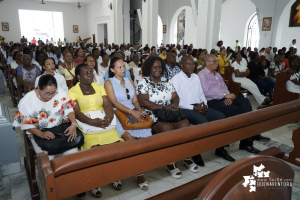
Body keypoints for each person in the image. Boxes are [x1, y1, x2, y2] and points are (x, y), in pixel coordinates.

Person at [137, 56, 198, 179]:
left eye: (160, 67)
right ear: (149, 68)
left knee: (185, 124)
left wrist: (174, 105)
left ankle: (186, 157)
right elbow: (144, 102)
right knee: (166, 128)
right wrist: (163, 108)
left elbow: (175, 97)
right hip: (153, 115)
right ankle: (170, 162)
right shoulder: (144, 82)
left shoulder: (166, 80)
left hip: (169, 112)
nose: (158, 69)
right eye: (155, 67)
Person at [68, 64, 123, 197]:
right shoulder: (73, 91)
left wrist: (109, 116)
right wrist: (92, 122)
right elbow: (76, 111)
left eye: (91, 72)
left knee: (116, 147)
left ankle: (114, 176)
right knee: (95, 149)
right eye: (86, 73)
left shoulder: (99, 87)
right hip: (87, 124)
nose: (90, 74)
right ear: (78, 76)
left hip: (103, 121)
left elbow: (107, 104)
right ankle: (95, 181)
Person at [198, 54, 269, 153]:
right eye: (214, 61)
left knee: (245, 102)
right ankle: (249, 138)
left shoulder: (217, 74)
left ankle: (249, 136)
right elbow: (206, 92)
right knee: (240, 112)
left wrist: (229, 96)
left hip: (224, 98)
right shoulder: (202, 75)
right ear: (207, 63)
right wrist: (224, 95)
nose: (217, 63)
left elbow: (225, 88)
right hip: (213, 102)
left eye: (216, 61)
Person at [171, 56, 234, 165]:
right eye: (188, 64)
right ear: (181, 65)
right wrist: (193, 108)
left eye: (193, 64)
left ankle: (220, 148)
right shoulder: (176, 79)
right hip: (184, 108)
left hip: (199, 105)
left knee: (220, 117)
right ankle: (196, 152)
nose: (191, 66)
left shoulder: (195, 77)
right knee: (202, 120)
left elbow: (201, 94)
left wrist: (204, 104)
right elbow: (176, 101)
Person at [105, 57, 151, 190]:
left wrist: (140, 110)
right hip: (118, 114)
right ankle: (119, 174)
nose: (123, 69)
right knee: (129, 141)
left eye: (123, 66)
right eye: (119, 67)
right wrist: (131, 111)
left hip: (133, 112)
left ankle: (138, 172)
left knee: (142, 143)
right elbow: (114, 103)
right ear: (112, 70)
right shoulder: (109, 83)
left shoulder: (130, 81)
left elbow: (135, 100)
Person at [13, 74, 83, 160]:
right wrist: (41, 134)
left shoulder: (60, 93)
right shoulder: (27, 101)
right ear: (38, 88)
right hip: (38, 132)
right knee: (47, 159)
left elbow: (69, 109)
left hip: (61, 129)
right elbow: (25, 124)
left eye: (53, 93)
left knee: (72, 156)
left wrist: (73, 124)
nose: (50, 96)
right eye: (46, 93)